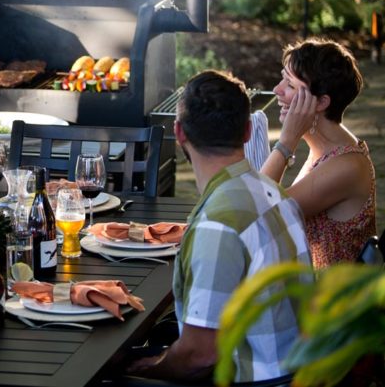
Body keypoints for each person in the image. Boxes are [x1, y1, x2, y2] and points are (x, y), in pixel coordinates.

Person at [126, 70, 310, 383]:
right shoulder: (274, 194)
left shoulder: (217, 224)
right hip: (294, 369)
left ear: (179, 133)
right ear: (248, 131)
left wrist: (154, 366)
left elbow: (200, 357)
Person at [261, 38, 376, 269]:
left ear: (322, 102)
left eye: (290, 85)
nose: (277, 90)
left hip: (328, 302)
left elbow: (257, 214)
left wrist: (286, 142)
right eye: (283, 78)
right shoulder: (325, 149)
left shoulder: (346, 166)